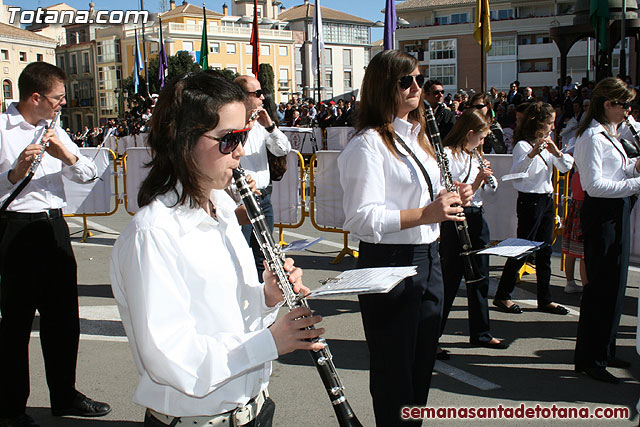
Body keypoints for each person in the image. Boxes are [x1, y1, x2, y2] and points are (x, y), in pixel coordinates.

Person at [110, 71, 324, 426]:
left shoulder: (223, 207)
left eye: (243, 135)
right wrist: (271, 343)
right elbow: (171, 359)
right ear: (183, 139)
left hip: (253, 409)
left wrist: (266, 298)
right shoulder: (154, 233)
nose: (240, 150)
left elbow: (225, 315)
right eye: (228, 139)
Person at [337, 50, 472, 427]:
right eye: (406, 81)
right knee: (394, 371)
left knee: (420, 364)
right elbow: (361, 218)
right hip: (389, 261)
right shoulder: (368, 144)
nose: (417, 88)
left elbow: (427, 198)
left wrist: (455, 196)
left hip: (429, 256)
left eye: (418, 80)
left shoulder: (418, 137)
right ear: (384, 87)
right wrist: (427, 213)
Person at [0, 62, 109, 427]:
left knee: (63, 320)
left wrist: (69, 156)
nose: (63, 103)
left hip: (53, 228)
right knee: (15, 324)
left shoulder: (56, 129)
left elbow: (92, 173)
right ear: (36, 97)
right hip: (14, 230)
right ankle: (12, 406)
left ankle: (64, 394)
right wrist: (14, 174)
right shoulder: (2, 130)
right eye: (57, 98)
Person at [573, 77, 640, 383]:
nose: (628, 110)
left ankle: (606, 346)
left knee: (616, 284)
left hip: (618, 209)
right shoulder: (591, 137)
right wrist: (637, 182)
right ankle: (590, 358)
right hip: (602, 214)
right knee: (600, 287)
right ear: (608, 104)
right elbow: (594, 185)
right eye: (624, 105)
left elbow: (618, 171)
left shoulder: (612, 134)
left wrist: (634, 167)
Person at [438, 108, 507, 359]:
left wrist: (486, 178)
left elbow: (491, 190)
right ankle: (432, 337)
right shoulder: (447, 155)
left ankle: (481, 332)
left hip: (477, 218)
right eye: (481, 137)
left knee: (480, 277)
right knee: (450, 279)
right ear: (469, 133)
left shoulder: (476, 155)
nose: (483, 142)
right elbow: (456, 191)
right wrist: (477, 180)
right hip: (455, 219)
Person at [493, 102, 574, 316]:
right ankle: (503, 294)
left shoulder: (549, 144)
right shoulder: (522, 145)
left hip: (546, 200)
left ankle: (545, 299)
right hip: (530, 201)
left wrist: (556, 153)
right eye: (549, 122)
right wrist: (532, 154)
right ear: (539, 123)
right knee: (522, 248)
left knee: (545, 250)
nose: (553, 127)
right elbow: (517, 174)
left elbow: (565, 168)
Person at [234, 76, 291, 278]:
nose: (262, 98)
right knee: (241, 255)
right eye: (256, 94)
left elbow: (283, 149)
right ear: (242, 97)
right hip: (242, 200)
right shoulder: (232, 124)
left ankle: (262, 301)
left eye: (262, 93)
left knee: (265, 255)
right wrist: (246, 126)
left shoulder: (261, 124)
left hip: (264, 197)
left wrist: (270, 126)